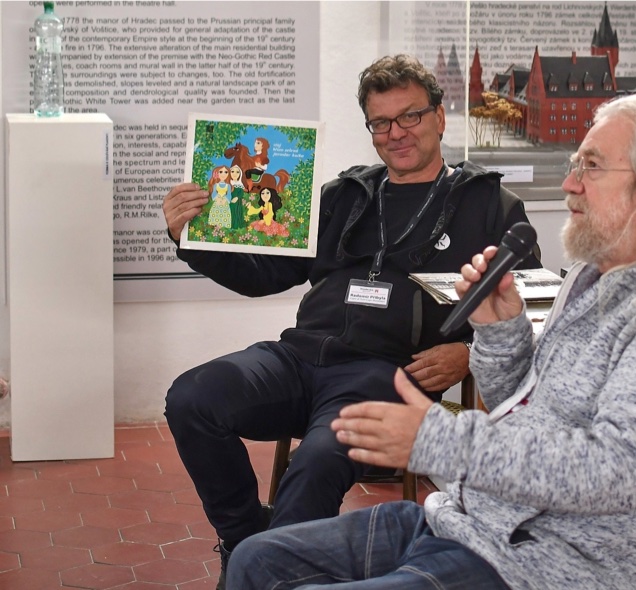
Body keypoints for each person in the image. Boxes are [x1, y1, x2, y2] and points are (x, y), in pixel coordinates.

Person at [225, 92, 636, 589]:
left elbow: (616, 472)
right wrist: (500, 331)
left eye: (590, 166)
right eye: (575, 164)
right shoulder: (593, 276)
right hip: (469, 524)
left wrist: (439, 439)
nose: (570, 184)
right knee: (255, 559)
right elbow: (527, 410)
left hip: (546, 565)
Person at [161, 54, 541, 590]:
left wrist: (468, 353)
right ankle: (246, 543)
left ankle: (268, 573)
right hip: (298, 358)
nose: (396, 133)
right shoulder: (343, 196)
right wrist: (190, 237)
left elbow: (527, 310)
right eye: (380, 123)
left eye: (409, 116)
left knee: (317, 461)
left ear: (439, 117)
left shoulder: (490, 205)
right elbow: (263, 275)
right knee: (192, 398)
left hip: (384, 374)